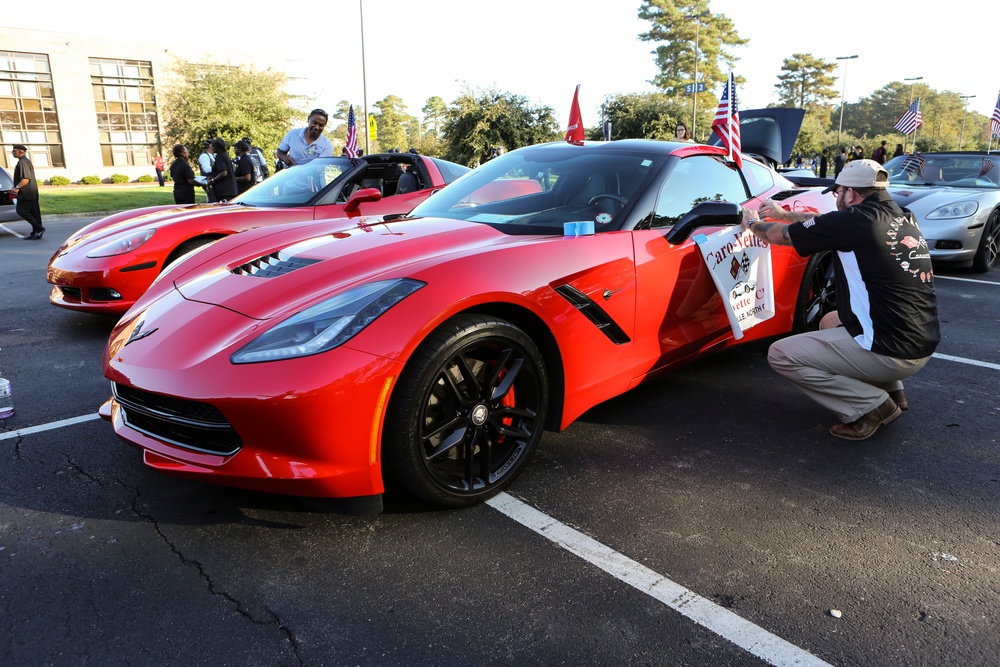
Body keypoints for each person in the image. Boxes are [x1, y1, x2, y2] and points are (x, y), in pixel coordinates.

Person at [742, 160, 939, 441]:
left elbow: (778, 237)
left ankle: (871, 407)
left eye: (837, 192)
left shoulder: (854, 222)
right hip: (920, 340)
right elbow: (824, 223)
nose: (836, 198)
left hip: (893, 349)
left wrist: (752, 222)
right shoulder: (902, 215)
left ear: (850, 193)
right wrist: (784, 214)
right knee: (829, 320)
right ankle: (892, 389)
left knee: (781, 355)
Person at [9, 144, 44, 239]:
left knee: (21, 211)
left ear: (21, 151)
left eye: (14, 151)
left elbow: (26, 179)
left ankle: (39, 228)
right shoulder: (24, 161)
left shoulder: (23, 163)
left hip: (26, 193)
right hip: (30, 193)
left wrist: (17, 188)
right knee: (34, 213)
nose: (13, 153)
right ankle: (36, 233)